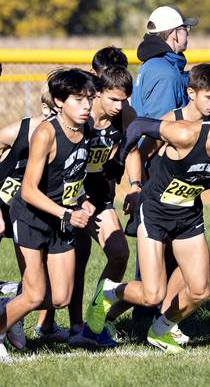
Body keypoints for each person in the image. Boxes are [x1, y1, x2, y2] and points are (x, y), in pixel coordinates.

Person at [85, 90, 210, 353]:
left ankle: (161, 329)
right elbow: (140, 125)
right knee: (153, 294)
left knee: (200, 292)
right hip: (154, 212)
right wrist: (120, 162)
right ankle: (108, 293)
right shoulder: (188, 134)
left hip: (187, 217)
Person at [0, 70, 97, 361]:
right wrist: (68, 214)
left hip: (60, 218)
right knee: (33, 295)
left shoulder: (86, 128)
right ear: (58, 101)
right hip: (30, 217)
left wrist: (83, 200)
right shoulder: (45, 133)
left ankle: (8, 304)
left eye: (89, 100)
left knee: (60, 298)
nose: (86, 106)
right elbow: (28, 190)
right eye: (78, 100)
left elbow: (71, 174)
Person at [64, 66, 136, 347]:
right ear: (98, 94)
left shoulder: (125, 116)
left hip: (99, 196)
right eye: (114, 99)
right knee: (74, 263)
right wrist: (78, 200)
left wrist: (136, 185)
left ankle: (95, 319)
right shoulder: (82, 118)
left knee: (119, 254)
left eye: (124, 99)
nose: (120, 106)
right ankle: (65, 326)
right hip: (70, 196)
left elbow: (132, 150)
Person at [0, 84, 55, 351]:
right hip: (3, 206)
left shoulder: (69, 135)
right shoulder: (19, 131)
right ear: (46, 108)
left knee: (43, 285)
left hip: (28, 209)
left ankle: (12, 309)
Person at [130, 6, 196, 119]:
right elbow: (161, 128)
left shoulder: (154, 63)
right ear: (174, 33)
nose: (187, 33)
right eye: (185, 28)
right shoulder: (165, 74)